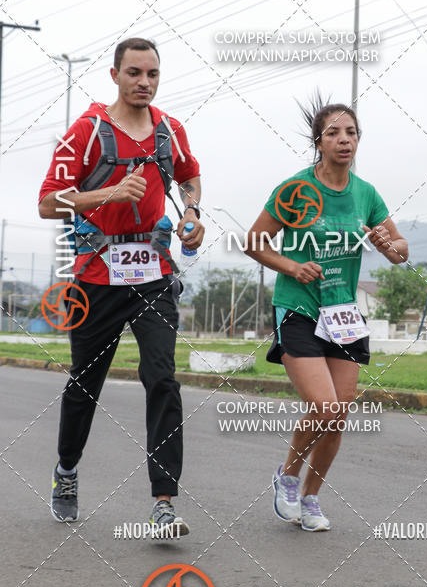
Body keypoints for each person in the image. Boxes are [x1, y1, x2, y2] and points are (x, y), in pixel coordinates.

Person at [38, 37, 204, 535]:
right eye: (134, 73)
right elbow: (47, 204)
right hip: (96, 277)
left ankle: (164, 502)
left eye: (152, 74)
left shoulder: (170, 131)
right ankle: (66, 472)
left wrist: (192, 212)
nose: (144, 83)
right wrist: (110, 190)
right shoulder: (86, 132)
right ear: (115, 76)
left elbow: (190, 176)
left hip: (153, 272)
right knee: (84, 385)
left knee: (162, 379)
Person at [244, 97, 408, 531]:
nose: (343, 140)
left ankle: (312, 498)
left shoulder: (366, 193)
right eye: (334, 133)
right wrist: (293, 266)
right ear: (318, 141)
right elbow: (255, 241)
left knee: (339, 413)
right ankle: (287, 477)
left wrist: (384, 244)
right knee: (325, 404)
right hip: (298, 309)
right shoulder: (295, 189)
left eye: (350, 132)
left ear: (358, 140)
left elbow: (399, 251)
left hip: (343, 316)